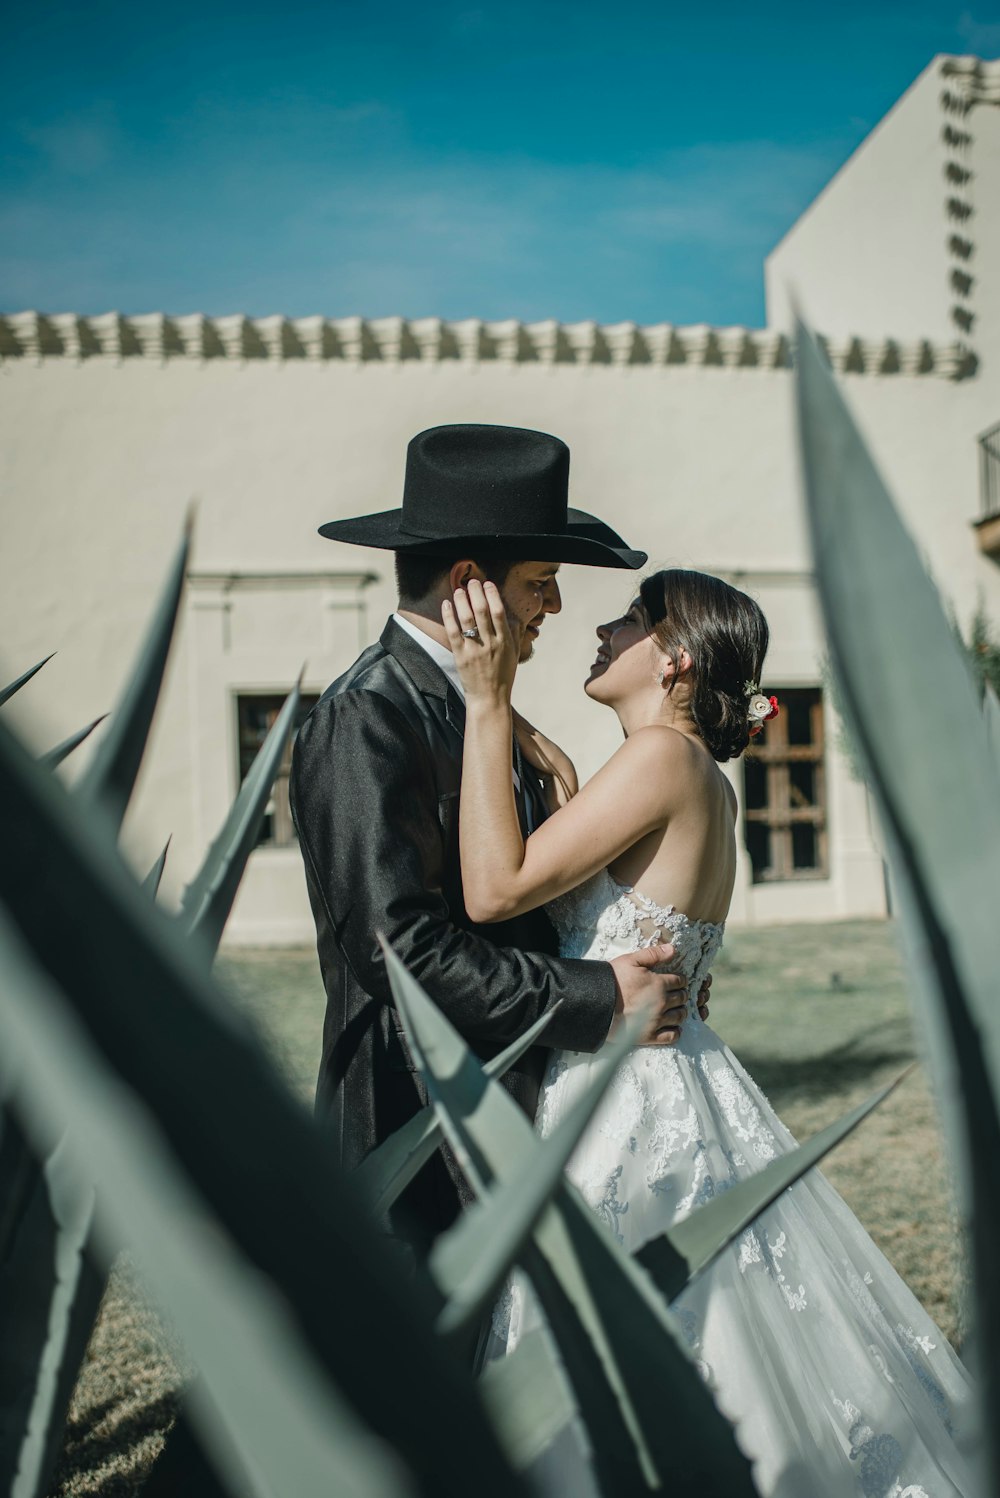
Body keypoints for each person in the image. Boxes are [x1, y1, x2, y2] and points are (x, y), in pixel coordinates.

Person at [443, 568, 975, 1498]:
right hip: (676, 1072)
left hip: (628, 1099)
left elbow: (493, 888)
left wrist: (489, 705)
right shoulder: (693, 774)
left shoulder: (662, 759)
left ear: (675, 658)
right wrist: (561, 771)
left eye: (630, 621)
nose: (603, 631)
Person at [289, 423, 709, 1254]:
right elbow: (398, 951)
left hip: (514, 1116)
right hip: (421, 1131)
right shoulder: (365, 717)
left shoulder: (489, 712)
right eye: (543, 582)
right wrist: (597, 996)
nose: (554, 607)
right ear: (471, 584)